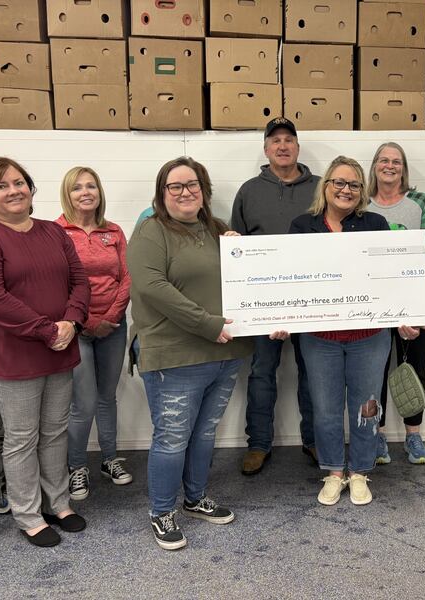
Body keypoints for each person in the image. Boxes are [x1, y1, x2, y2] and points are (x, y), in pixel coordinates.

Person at [0, 157, 90, 548]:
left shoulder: (53, 231)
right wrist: (46, 330)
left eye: (19, 182)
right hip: (15, 355)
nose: (13, 190)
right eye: (1, 186)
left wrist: (71, 322)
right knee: (22, 438)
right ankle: (29, 515)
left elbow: (79, 281)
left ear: (31, 188)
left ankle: (58, 504)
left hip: (59, 347)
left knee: (54, 433)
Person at [128, 157, 253, 551]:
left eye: (192, 184)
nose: (185, 192)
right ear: (162, 193)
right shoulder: (151, 231)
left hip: (224, 351)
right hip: (175, 354)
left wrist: (241, 254)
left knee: (203, 433)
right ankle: (161, 512)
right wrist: (207, 324)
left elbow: (245, 282)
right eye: (175, 186)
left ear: (204, 189)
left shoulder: (216, 230)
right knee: (172, 438)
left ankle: (195, 498)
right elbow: (152, 288)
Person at [289, 156, 424, 506]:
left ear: (361, 191)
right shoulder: (303, 227)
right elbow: (290, 280)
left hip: (369, 337)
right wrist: (280, 316)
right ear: (326, 186)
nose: (346, 190)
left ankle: (361, 471)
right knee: (326, 409)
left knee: (367, 406)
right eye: (339, 182)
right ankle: (334, 472)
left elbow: (392, 279)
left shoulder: (376, 224)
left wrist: (405, 315)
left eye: (353, 185)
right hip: (320, 339)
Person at [230, 117, 320, 475]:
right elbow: (233, 246)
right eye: (275, 141)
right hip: (262, 301)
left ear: (297, 147)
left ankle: (315, 439)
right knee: (262, 371)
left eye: (289, 140)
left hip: (313, 296)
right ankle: (258, 444)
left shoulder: (321, 187)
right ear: (266, 150)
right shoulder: (249, 190)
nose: (283, 146)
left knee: (313, 372)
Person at [56, 167, 132, 501]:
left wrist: (111, 316)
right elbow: (55, 285)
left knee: (107, 396)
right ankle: (77, 467)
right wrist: (84, 323)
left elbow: (127, 277)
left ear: (99, 192)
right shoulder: (55, 232)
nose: (85, 192)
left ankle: (110, 459)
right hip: (75, 330)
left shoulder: (113, 231)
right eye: (77, 188)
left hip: (113, 327)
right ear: (67, 194)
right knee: (82, 402)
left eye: (91, 186)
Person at [366, 142, 425, 465]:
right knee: (375, 372)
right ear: (375, 166)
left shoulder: (420, 201)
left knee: (414, 369)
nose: (390, 166)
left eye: (396, 161)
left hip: (415, 301)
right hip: (373, 304)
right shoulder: (363, 204)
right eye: (384, 160)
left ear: (403, 167)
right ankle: (378, 436)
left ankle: (414, 436)